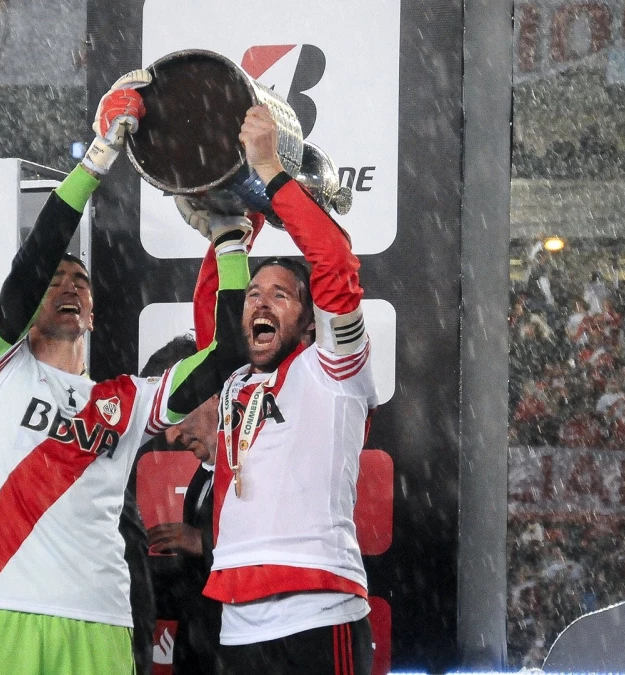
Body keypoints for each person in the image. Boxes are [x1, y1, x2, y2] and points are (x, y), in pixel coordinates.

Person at [0, 70, 251, 674]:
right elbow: (31, 263)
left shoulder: (127, 401)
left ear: (92, 313)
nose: (68, 286)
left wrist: (228, 239)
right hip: (5, 608)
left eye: (80, 282)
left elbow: (227, 353)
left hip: (103, 617)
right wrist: (95, 161)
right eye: (55, 282)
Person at [202, 106, 376, 675]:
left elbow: (334, 262)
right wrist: (231, 231)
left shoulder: (333, 368)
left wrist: (271, 171)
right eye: (254, 294)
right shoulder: (233, 378)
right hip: (237, 620)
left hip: (319, 610)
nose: (260, 301)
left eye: (281, 295)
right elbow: (215, 311)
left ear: (307, 322)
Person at [149, 395, 223, 675]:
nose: (171, 436)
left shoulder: (263, 465)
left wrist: (204, 542)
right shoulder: (203, 476)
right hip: (199, 647)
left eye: (178, 417)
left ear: (214, 399)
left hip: (240, 646)